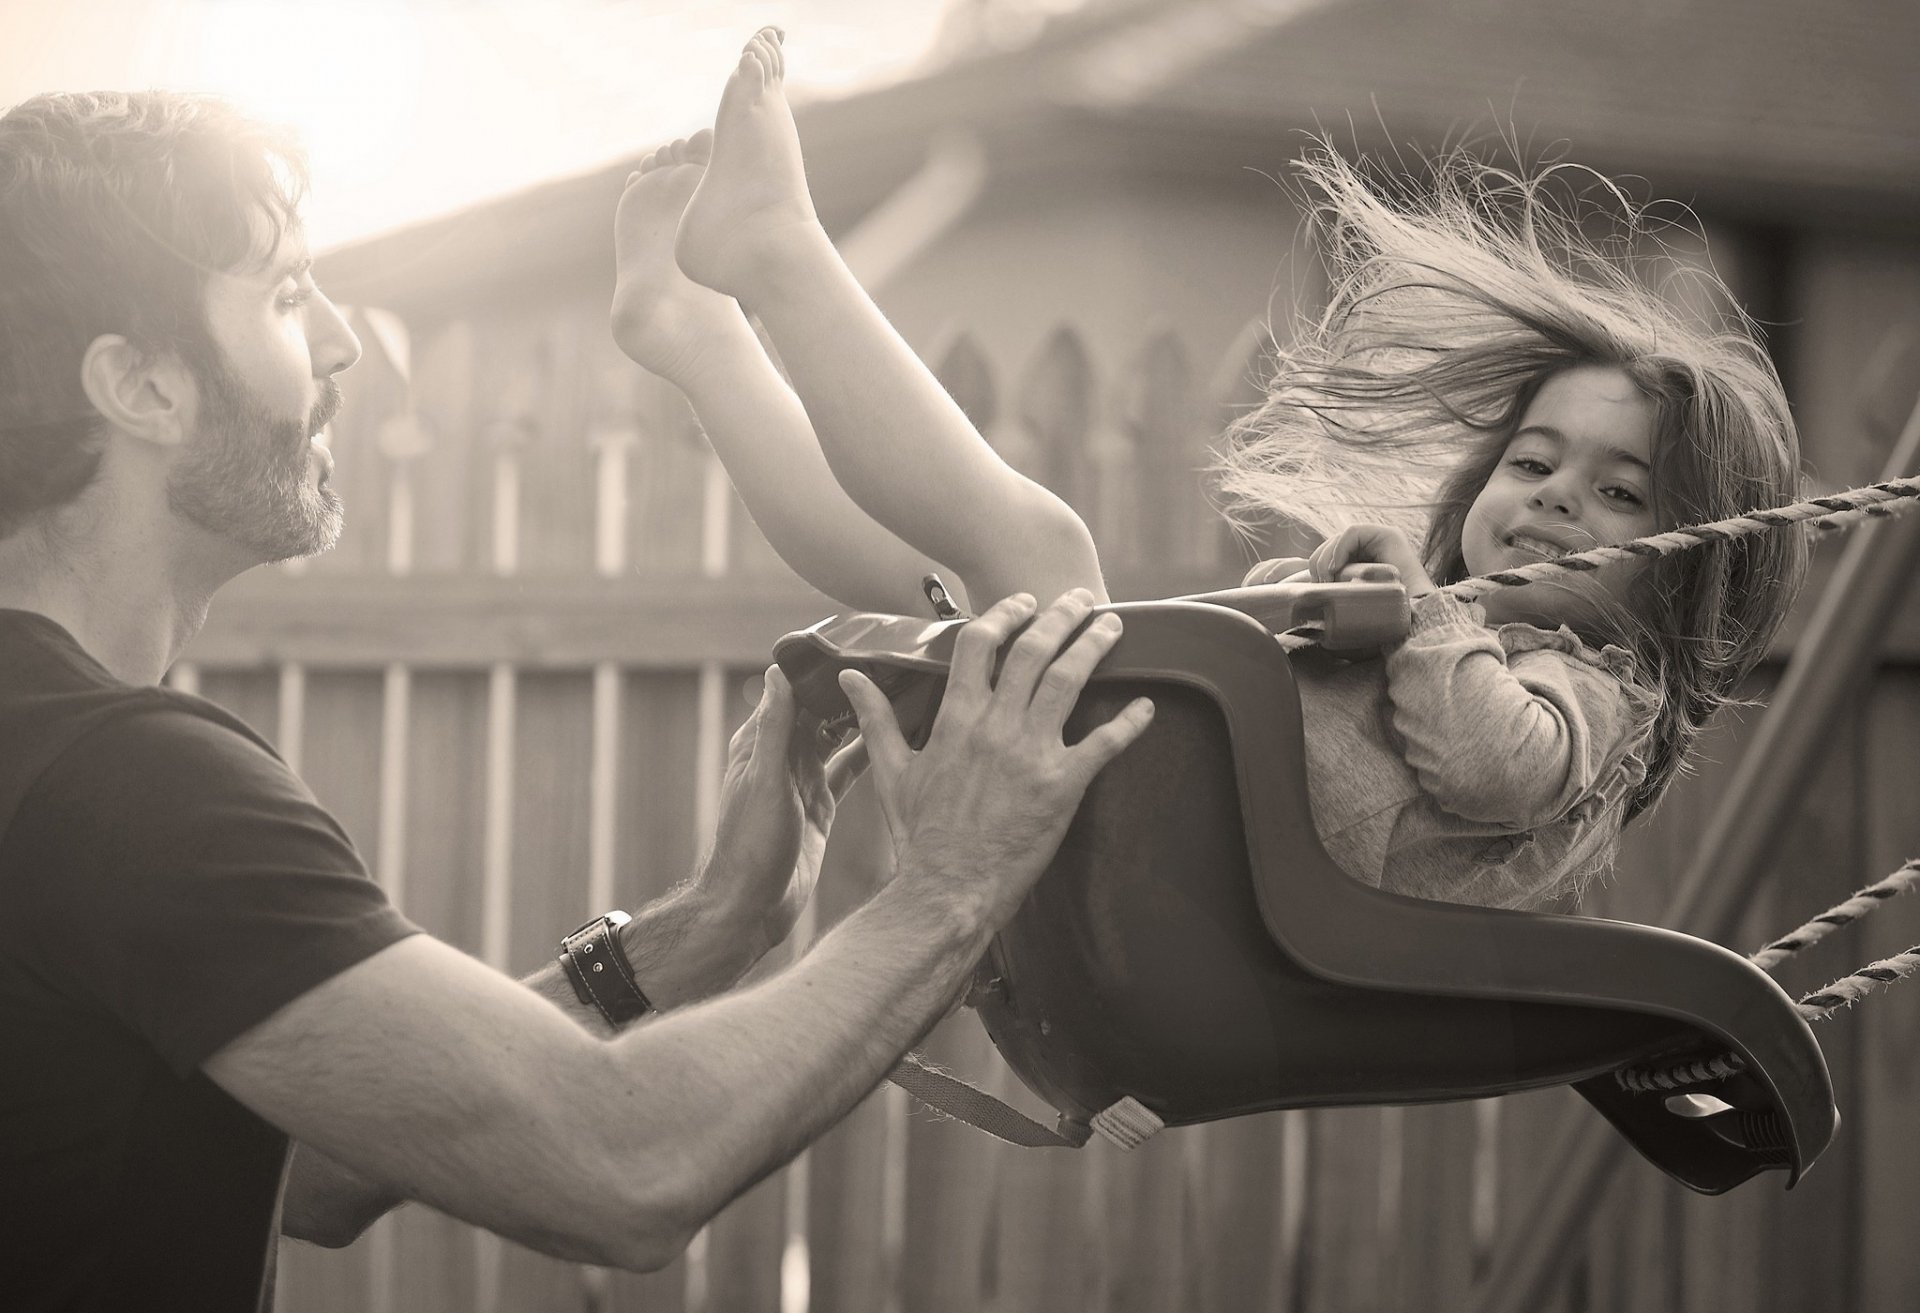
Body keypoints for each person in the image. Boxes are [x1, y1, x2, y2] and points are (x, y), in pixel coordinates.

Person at [0, 89, 1157, 1310]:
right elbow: (620, 1164)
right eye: (287, 297)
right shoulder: (118, 784)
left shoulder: (49, 763)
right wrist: (952, 884)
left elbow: (315, 1165)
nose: (340, 342)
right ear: (141, 387)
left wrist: (711, 919)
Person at [611, 28, 1807, 913]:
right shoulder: (1453, 632)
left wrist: (1420, 619)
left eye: (1619, 492)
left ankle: (774, 254)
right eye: (1534, 459)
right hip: (1170, 826)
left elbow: (1491, 762)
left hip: (1191, 864)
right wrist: (1306, 607)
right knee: (943, 567)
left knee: (1042, 555)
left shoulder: (1598, 692)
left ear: (1690, 574)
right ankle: (703, 345)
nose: (1554, 495)